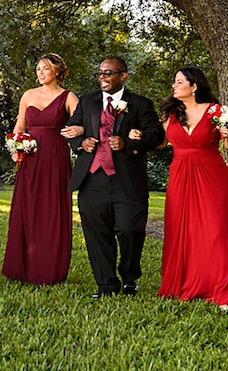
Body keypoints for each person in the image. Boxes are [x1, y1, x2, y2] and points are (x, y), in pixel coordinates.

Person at [137, 67, 228, 310]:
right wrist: (140, 135)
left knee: (217, 230)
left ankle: (223, 291)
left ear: (194, 86)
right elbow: (161, 144)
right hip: (180, 175)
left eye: (179, 82)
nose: (174, 86)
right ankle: (184, 283)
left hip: (211, 175)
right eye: (174, 82)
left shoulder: (217, 111)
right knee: (182, 229)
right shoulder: (170, 113)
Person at [63, 57, 164, 298]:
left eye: (108, 73)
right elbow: (71, 128)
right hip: (92, 178)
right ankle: (106, 286)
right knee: (97, 234)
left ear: (123, 76)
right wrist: (80, 142)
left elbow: (156, 136)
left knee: (129, 230)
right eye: (100, 73)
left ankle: (130, 278)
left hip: (126, 179)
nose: (103, 78)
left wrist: (128, 143)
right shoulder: (87, 102)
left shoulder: (140, 104)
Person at [2, 54, 79, 284]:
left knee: (52, 209)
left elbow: (84, 123)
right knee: (28, 207)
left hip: (55, 157)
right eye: (38, 69)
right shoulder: (28, 95)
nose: (41, 73)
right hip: (30, 158)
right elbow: (20, 125)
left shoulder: (68, 97)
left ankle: (49, 269)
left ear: (57, 71)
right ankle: (22, 267)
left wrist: (78, 131)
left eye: (45, 68)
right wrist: (15, 146)